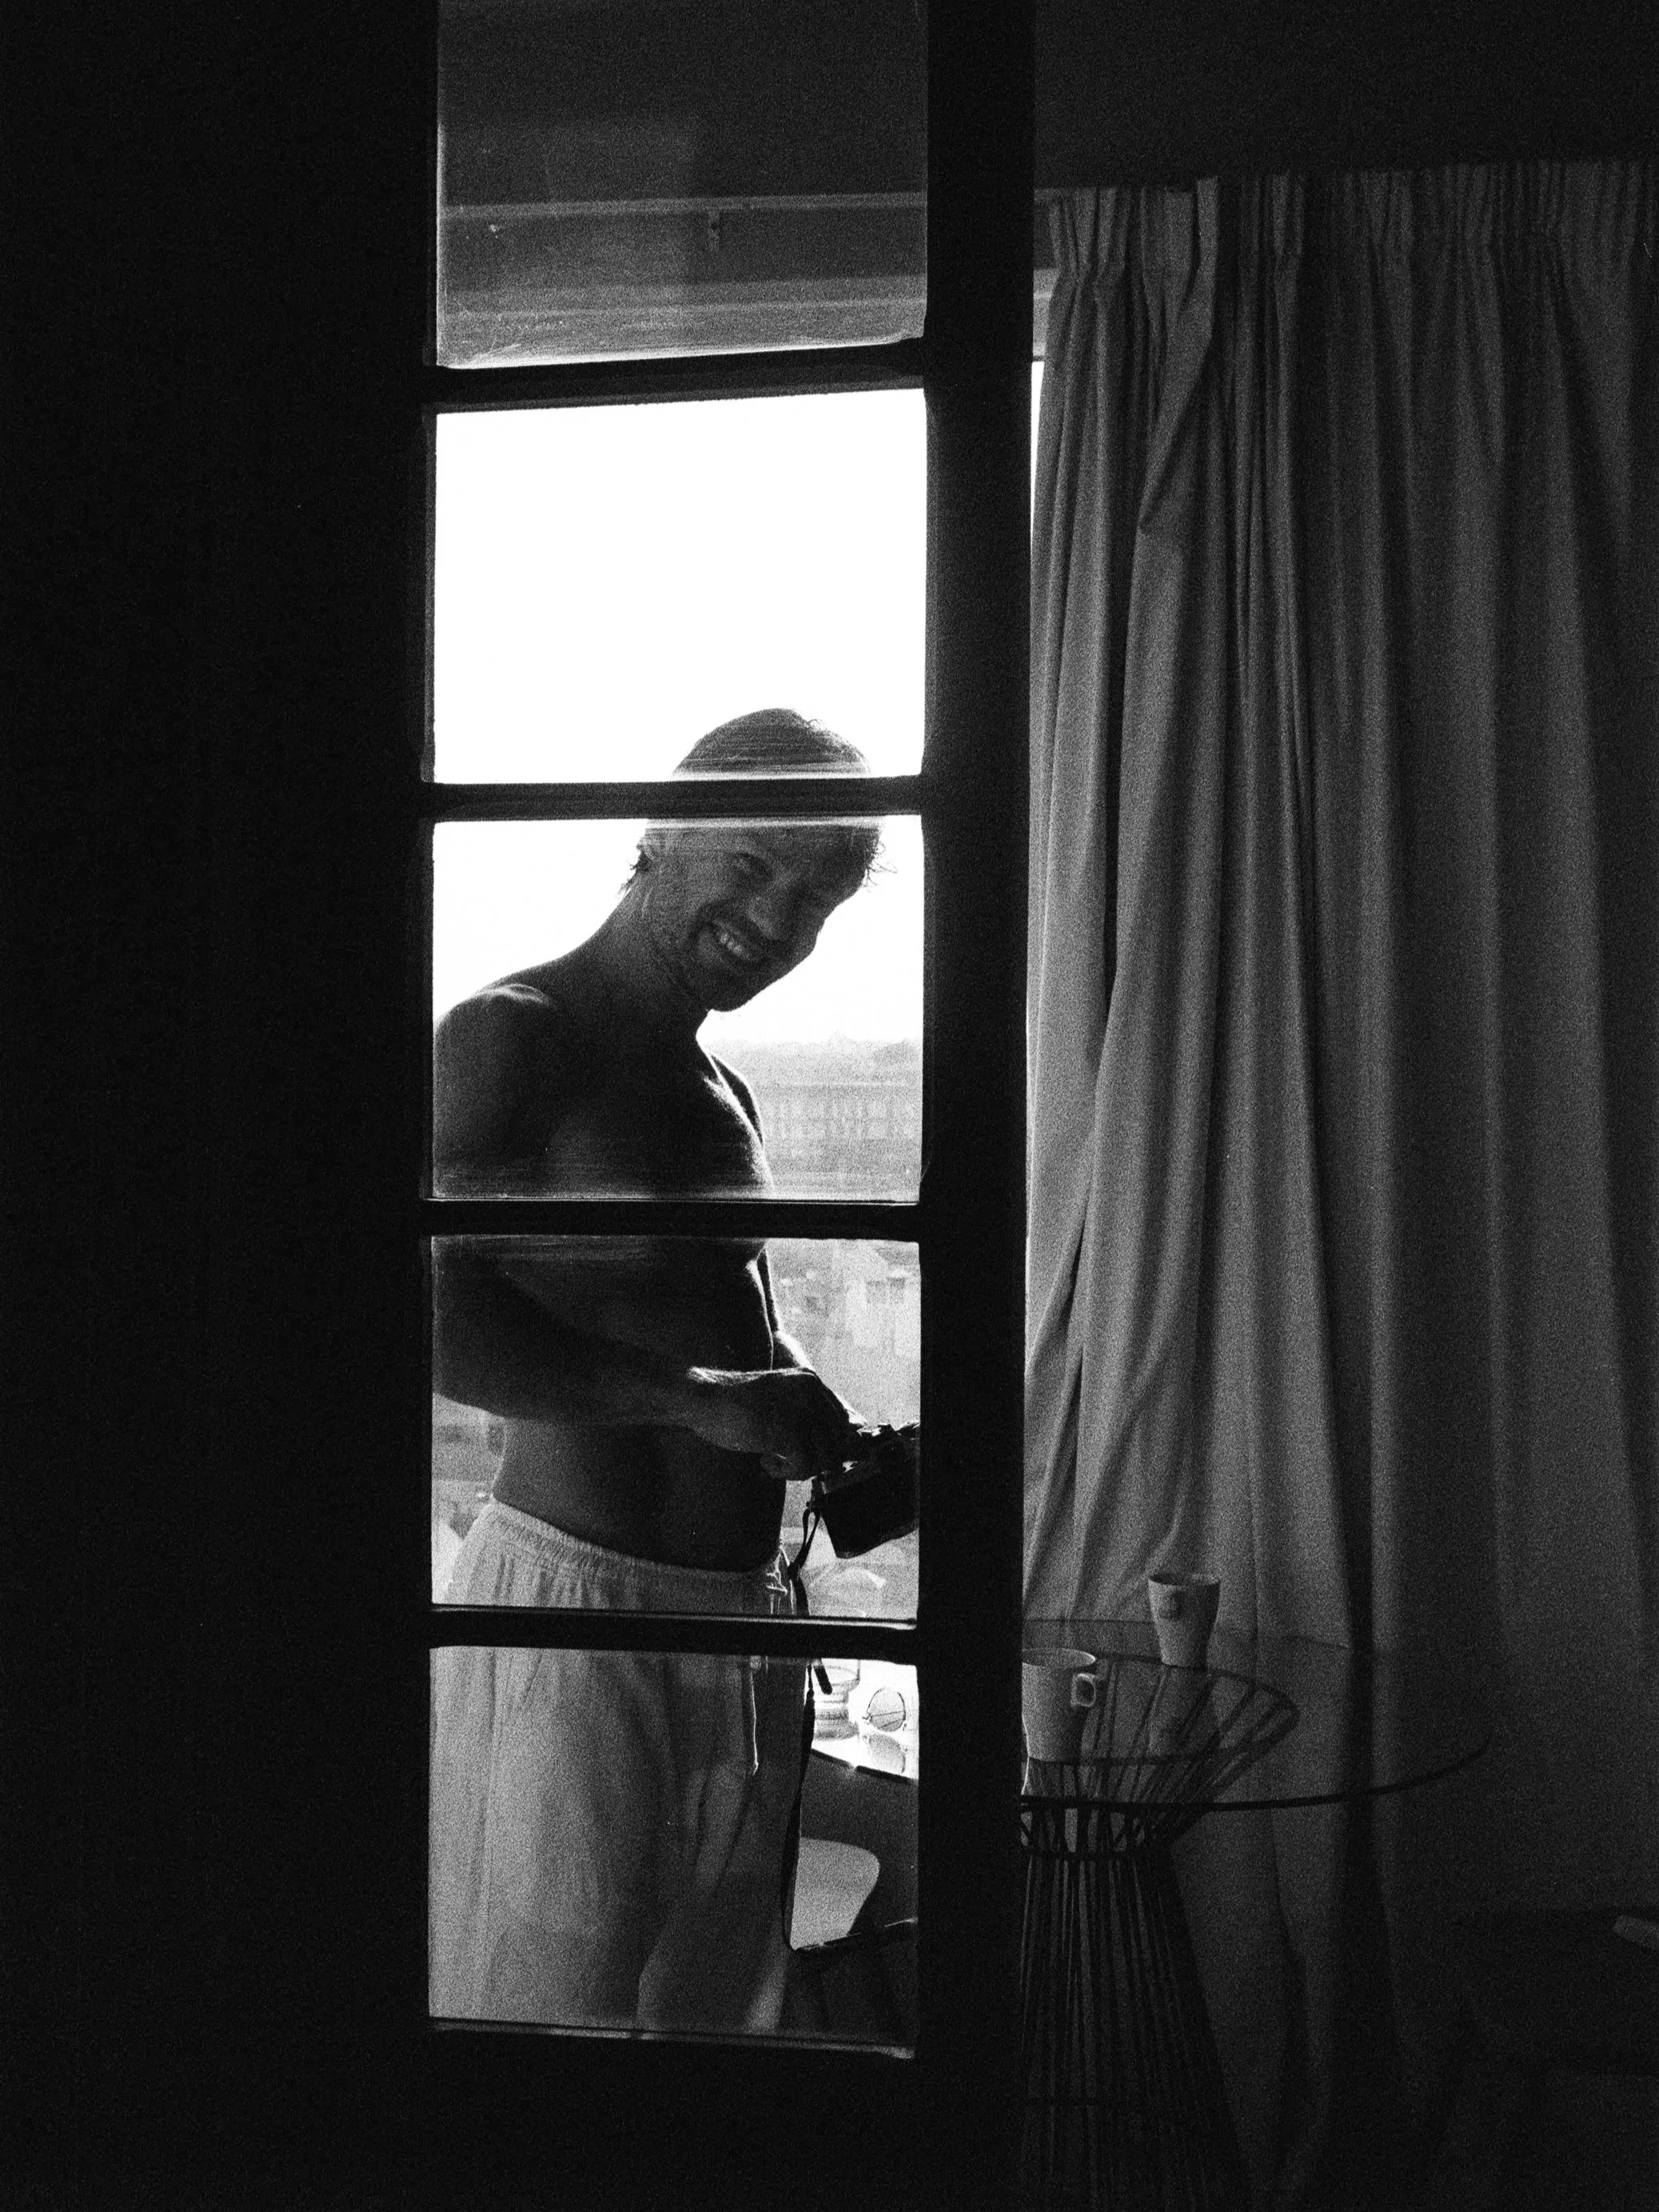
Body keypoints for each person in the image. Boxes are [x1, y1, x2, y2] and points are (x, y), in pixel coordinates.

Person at [428, 709, 876, 2032]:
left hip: (736, 1628)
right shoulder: (511, 1033)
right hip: (579, 1623)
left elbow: (702, 1308)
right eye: (751, 863)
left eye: (815, 900)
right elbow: (424, 1318)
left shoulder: (721, 1082)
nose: (776, 920)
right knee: (539, 2022)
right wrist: (697, 1401)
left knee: (710, 2033)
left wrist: (801, 1401)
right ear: (665, 823)